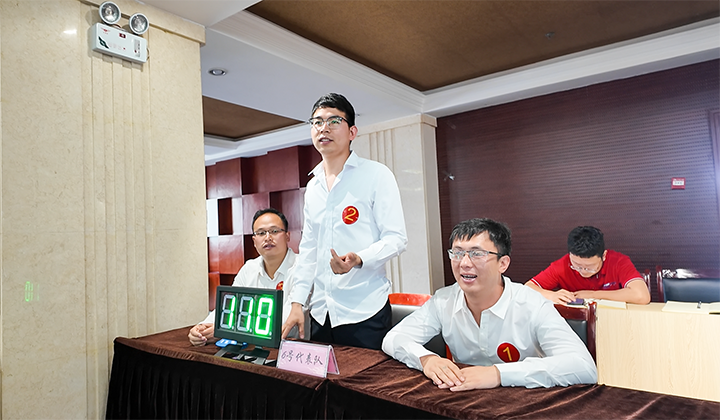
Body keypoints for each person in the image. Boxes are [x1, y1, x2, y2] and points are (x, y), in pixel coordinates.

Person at [382, 218, 597, 390]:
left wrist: (497, 374)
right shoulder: (443, 300)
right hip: (464, 400)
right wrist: (426, 359)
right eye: (457, 253)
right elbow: (393, 338)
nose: (464, 263)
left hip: (524, 399)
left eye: (477, 254)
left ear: (503, 263)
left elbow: (583, 367)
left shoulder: (531, 304)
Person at [281, 93, 408, 350]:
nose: (324, 128)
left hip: (364, 311)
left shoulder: (376, 175)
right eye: (317, 122)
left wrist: (358, 259)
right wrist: (297, 303)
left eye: (334, 121)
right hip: (321, 312)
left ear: (352, 132)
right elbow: (308, 250)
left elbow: (396, 239)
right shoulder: (313, 187)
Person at [188, 208, 305, 346]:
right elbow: (229, 305)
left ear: (287, 236)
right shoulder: (249, 268)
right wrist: (203, 327)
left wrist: (225, 329)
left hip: (291, 348)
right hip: (252, 348)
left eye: (274, 231)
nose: (268, 237)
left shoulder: (302, 268)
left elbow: (286, 320)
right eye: (261, 233)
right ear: (254, 241)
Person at [525, 226, 650, 305]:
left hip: (614, 319)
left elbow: (641, 296)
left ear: (604, 256)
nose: (583, 271)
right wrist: (552, 295)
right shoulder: (562, 265)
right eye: (577, 265)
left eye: (590, 267)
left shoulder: (618, 262)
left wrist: (592, 295)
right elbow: (527, 288)